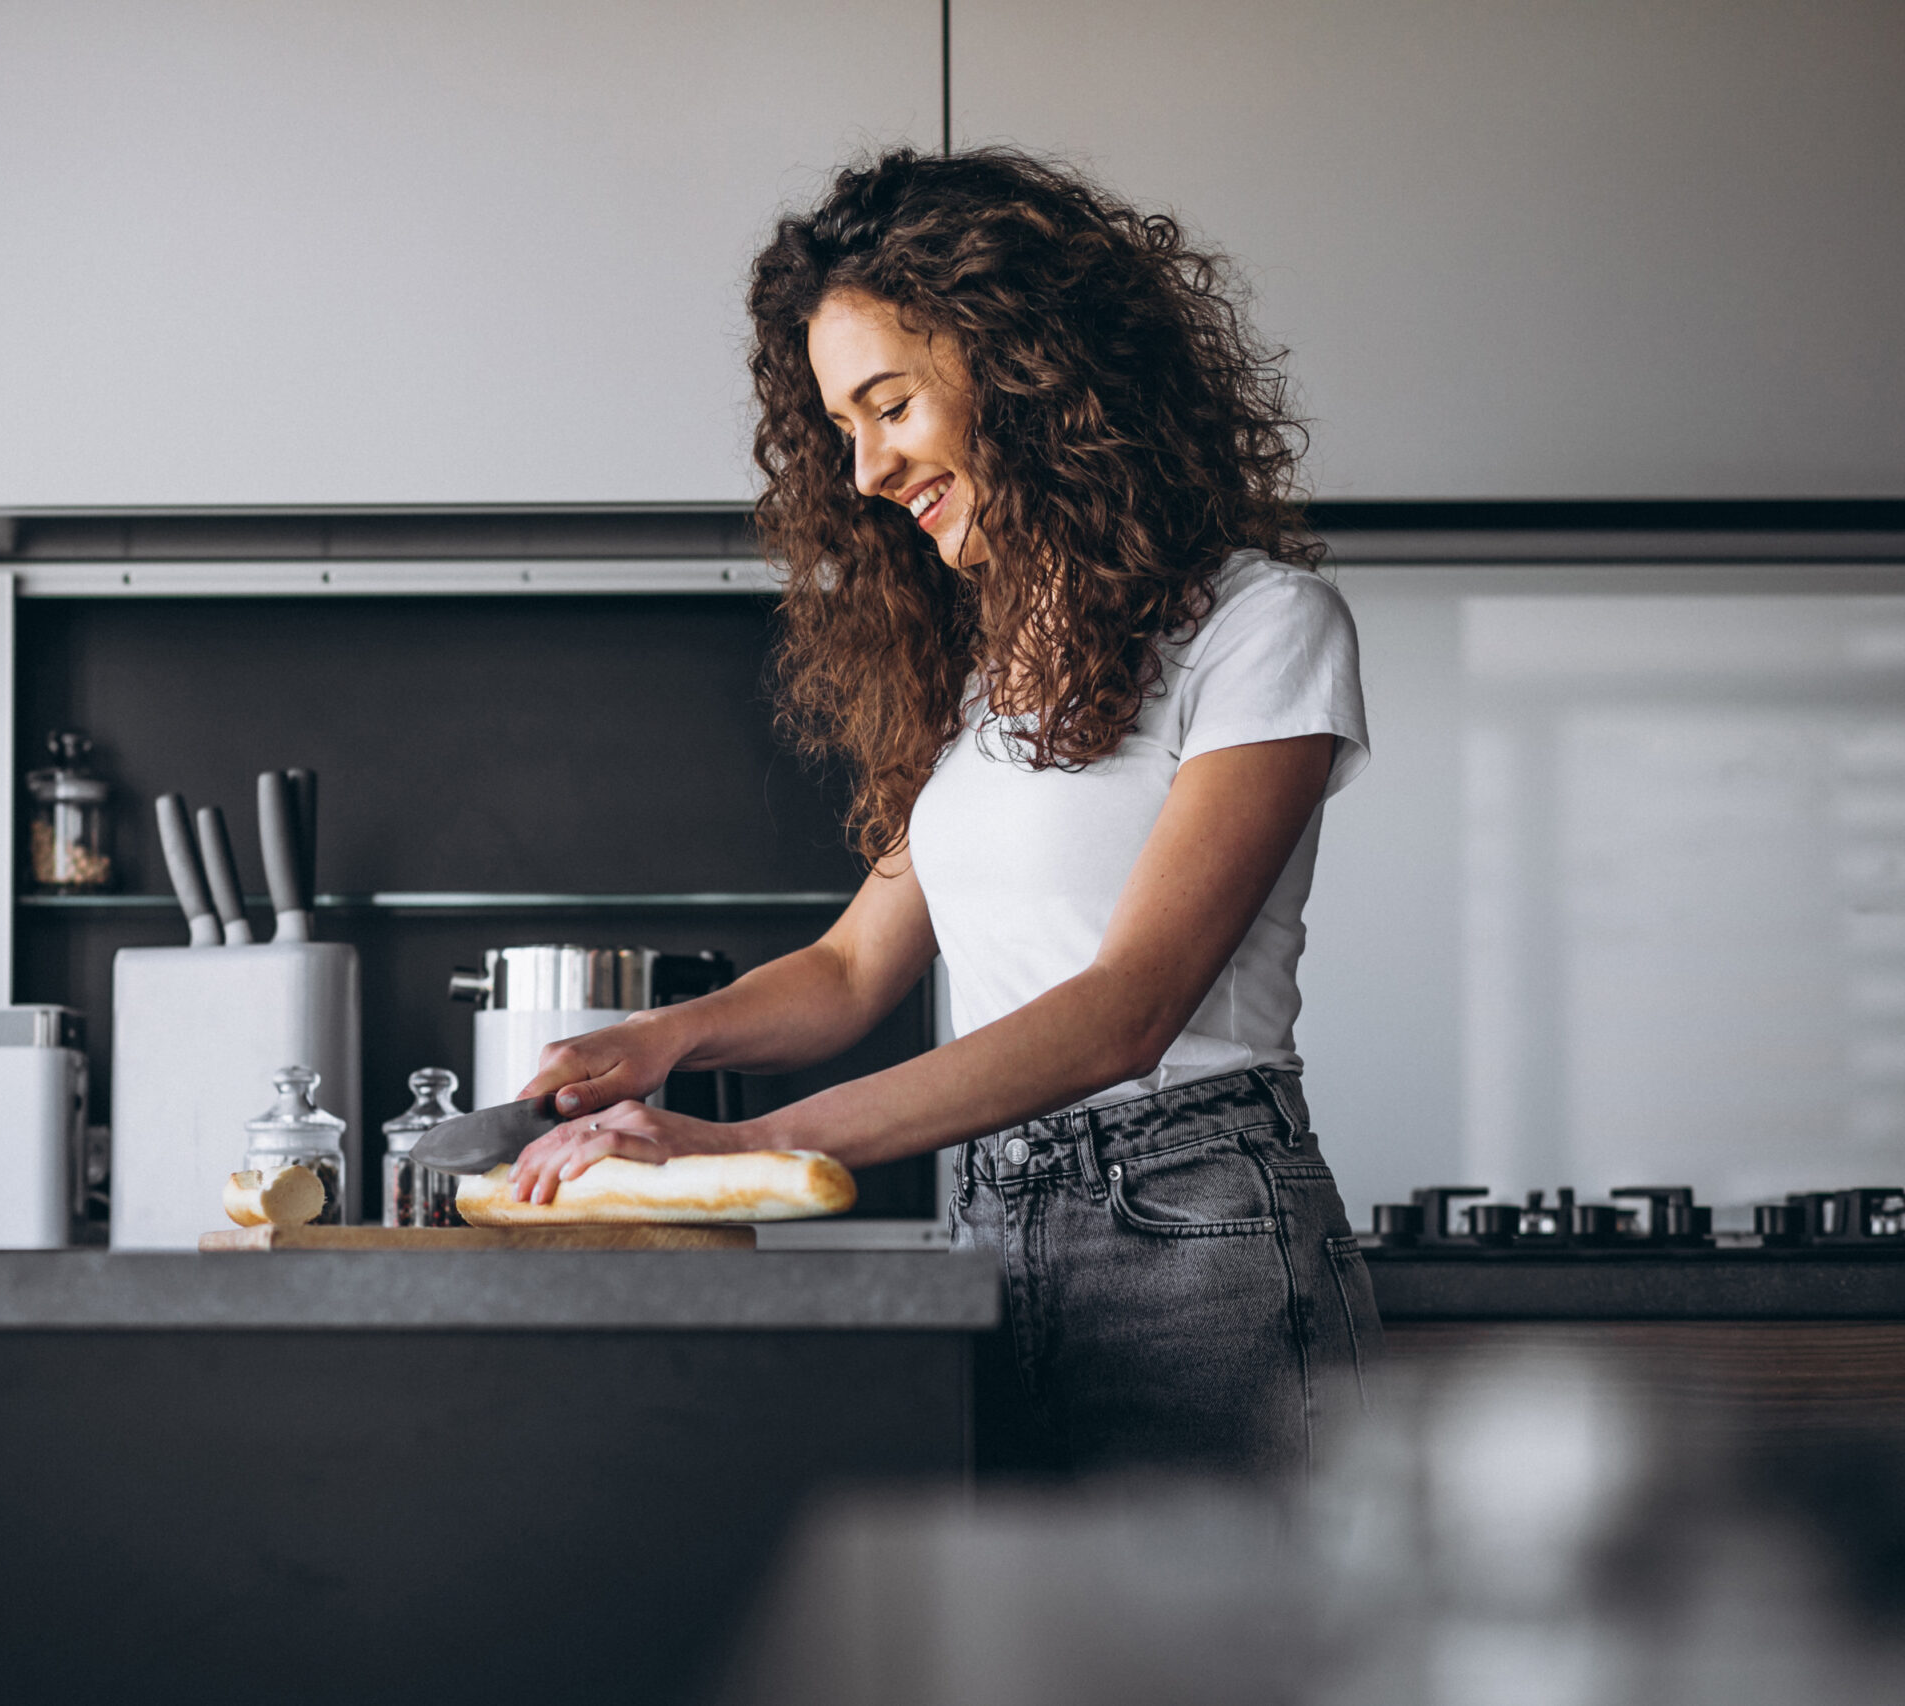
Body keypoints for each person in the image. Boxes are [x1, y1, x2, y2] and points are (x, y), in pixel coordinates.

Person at [505, 147, 1380, 1479]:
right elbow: (859, 965)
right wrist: (653, 1041)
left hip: (1197, 1229)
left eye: (890, 403)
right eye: (840, 427)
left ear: (1025, 370)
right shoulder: (982, 680)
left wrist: (748, 1144)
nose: (862, 469)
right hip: (988, 1220)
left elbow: (1129, 1007)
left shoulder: (1263, 630)